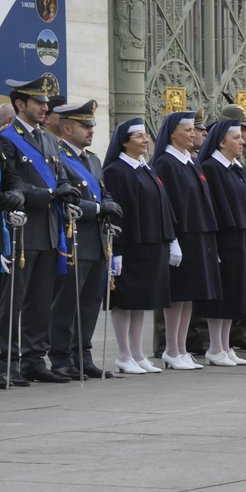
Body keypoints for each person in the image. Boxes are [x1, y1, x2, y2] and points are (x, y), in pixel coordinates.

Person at [2, 74, 79, 385]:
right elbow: (15, 185)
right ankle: (7, 359)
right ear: (21, 104)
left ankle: (35, 358)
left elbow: (59, 173)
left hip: (49, 229)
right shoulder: (8, 138)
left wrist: (66, 189)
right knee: (13, 300)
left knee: (40, 299)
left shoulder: (49, 138)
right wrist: (50, 194)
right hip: (22, 228)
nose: (46, 108)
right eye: (39, 102)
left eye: (47, 103)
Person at [49, 99, 119, 380]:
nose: (90, 130)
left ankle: (83, 355)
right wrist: (99, 209)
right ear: (67, 128)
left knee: (90, 303)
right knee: (67, 303)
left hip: (98, 242)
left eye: (91, 125)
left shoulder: (93, 159)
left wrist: (110, 204)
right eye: (84, 125)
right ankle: (61, 357)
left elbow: (103, 191)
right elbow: (66, 199)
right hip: (74, 239)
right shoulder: (57, 156)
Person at [101, 118, 175, 376]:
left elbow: (162, 205)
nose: (146, 140)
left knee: (141, 301)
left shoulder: (145, 168)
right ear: (125, 141)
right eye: (139, 136)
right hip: (130, 245)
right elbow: (118, 213)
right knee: (125, 301)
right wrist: (117, 250)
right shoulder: (116, 171)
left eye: (146, 136)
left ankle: (137, 353)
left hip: (151, 244)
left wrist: (169, 237)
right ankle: (123, 354)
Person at [152, 110, 220, 370]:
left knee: (189, 295)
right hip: (181, 235)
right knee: (177, 294)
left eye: (194, 130)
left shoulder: (190, 161)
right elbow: (168, 205)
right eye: (188, 130)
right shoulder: (166, 163)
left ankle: (181, 348)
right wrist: (173, 239)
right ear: (172, 134)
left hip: (198, 235)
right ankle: (171, 348)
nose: (194, 134)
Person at [194, 110, 246, 366]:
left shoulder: (237, 167)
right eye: (236, 137)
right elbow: (214, 207)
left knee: (236, 291)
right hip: (224, 238)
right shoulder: (212, 167)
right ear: (221, 141)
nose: (242, 141)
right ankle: (215, 346)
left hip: (242, 236)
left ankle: (226, 345)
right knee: (221, 294)